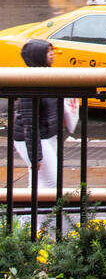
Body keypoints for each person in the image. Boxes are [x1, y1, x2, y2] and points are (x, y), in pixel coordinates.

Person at [11, 39, 74, 195]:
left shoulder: (47, 76)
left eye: (51, 50)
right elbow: (29, 122)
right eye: (47, 52)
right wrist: (35, 156)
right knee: (51, 184)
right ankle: (46, 218)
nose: (52, 54)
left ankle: (31, 218)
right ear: (38, 56)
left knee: (40, 182)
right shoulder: (30, 82)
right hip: (35, 139)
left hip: (47, 136)